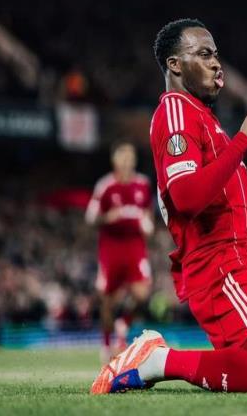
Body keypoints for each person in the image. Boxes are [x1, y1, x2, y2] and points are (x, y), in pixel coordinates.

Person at [91, 18, 247, 394]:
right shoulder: (176, 112)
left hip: (233, 266)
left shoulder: (205, 121)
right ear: (174, 65)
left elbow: (238, 219)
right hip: (221, 270)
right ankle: (157, 360)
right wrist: (243, 140)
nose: (216, 63)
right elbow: (186, 198)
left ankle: (158, 359)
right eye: (204, 54)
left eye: (216, 55)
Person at [86, 141, 154, 363]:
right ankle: (106, 344)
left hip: (135, 246)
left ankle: (123, 324)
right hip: (111, 247)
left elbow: (147, 211)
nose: (126, 163)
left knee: (142, 294)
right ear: (115, 161)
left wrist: (148, 224)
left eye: (129, 159)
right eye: (122, 159)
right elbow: (91, 217)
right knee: (107, 300)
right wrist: (107, 217)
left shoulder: (142, 184)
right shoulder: (105, 186)